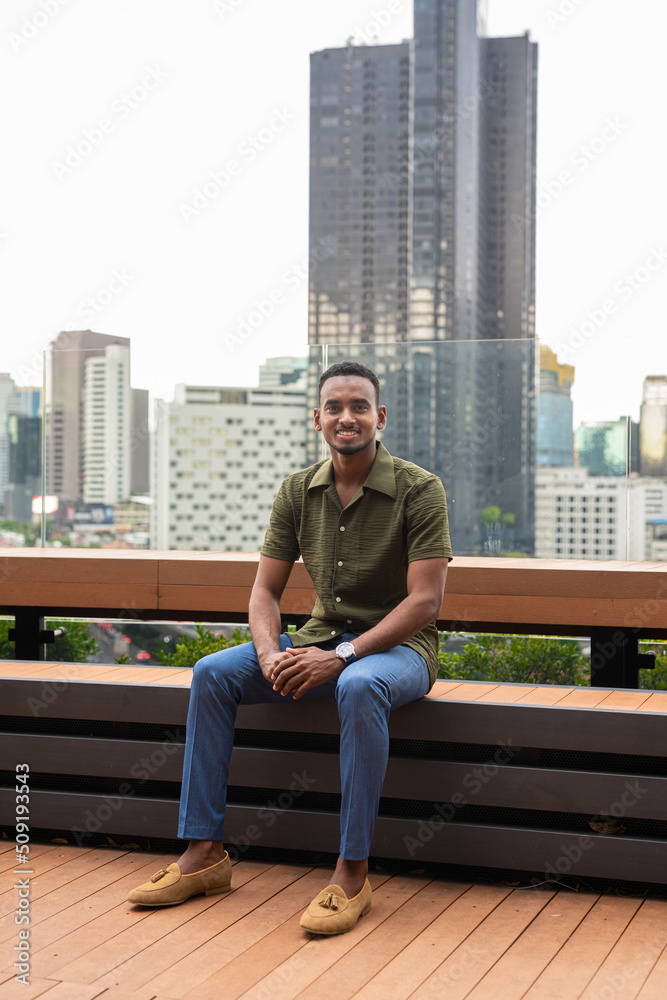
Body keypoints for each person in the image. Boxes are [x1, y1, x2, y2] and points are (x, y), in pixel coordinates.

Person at [128, 360, 452, 934]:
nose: (346, 417)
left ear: (379, 418)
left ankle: (351, 872)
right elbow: (264, 591)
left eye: (358, 407)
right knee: (211, 673)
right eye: (334, 407)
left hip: (400, 652)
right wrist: (269, 653)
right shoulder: (297, 491)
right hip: (318, 641)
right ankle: (204, 855)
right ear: (318, 419)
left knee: (356, 684)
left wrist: (344, 656)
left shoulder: (420, 489)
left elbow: (424, 603)